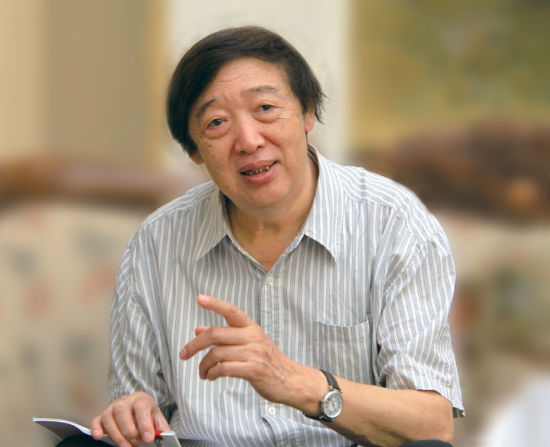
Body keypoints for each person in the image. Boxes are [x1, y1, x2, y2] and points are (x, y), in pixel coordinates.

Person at [68, 26, 464, 447]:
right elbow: (135, 404)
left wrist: (298, 382)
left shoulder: (393, 225)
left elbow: (432, 425)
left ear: (308, 113)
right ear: (194, 151)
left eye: (265, 108)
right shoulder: (156, 243)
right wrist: (132, 413)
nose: (249, 140)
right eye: (217, 123)